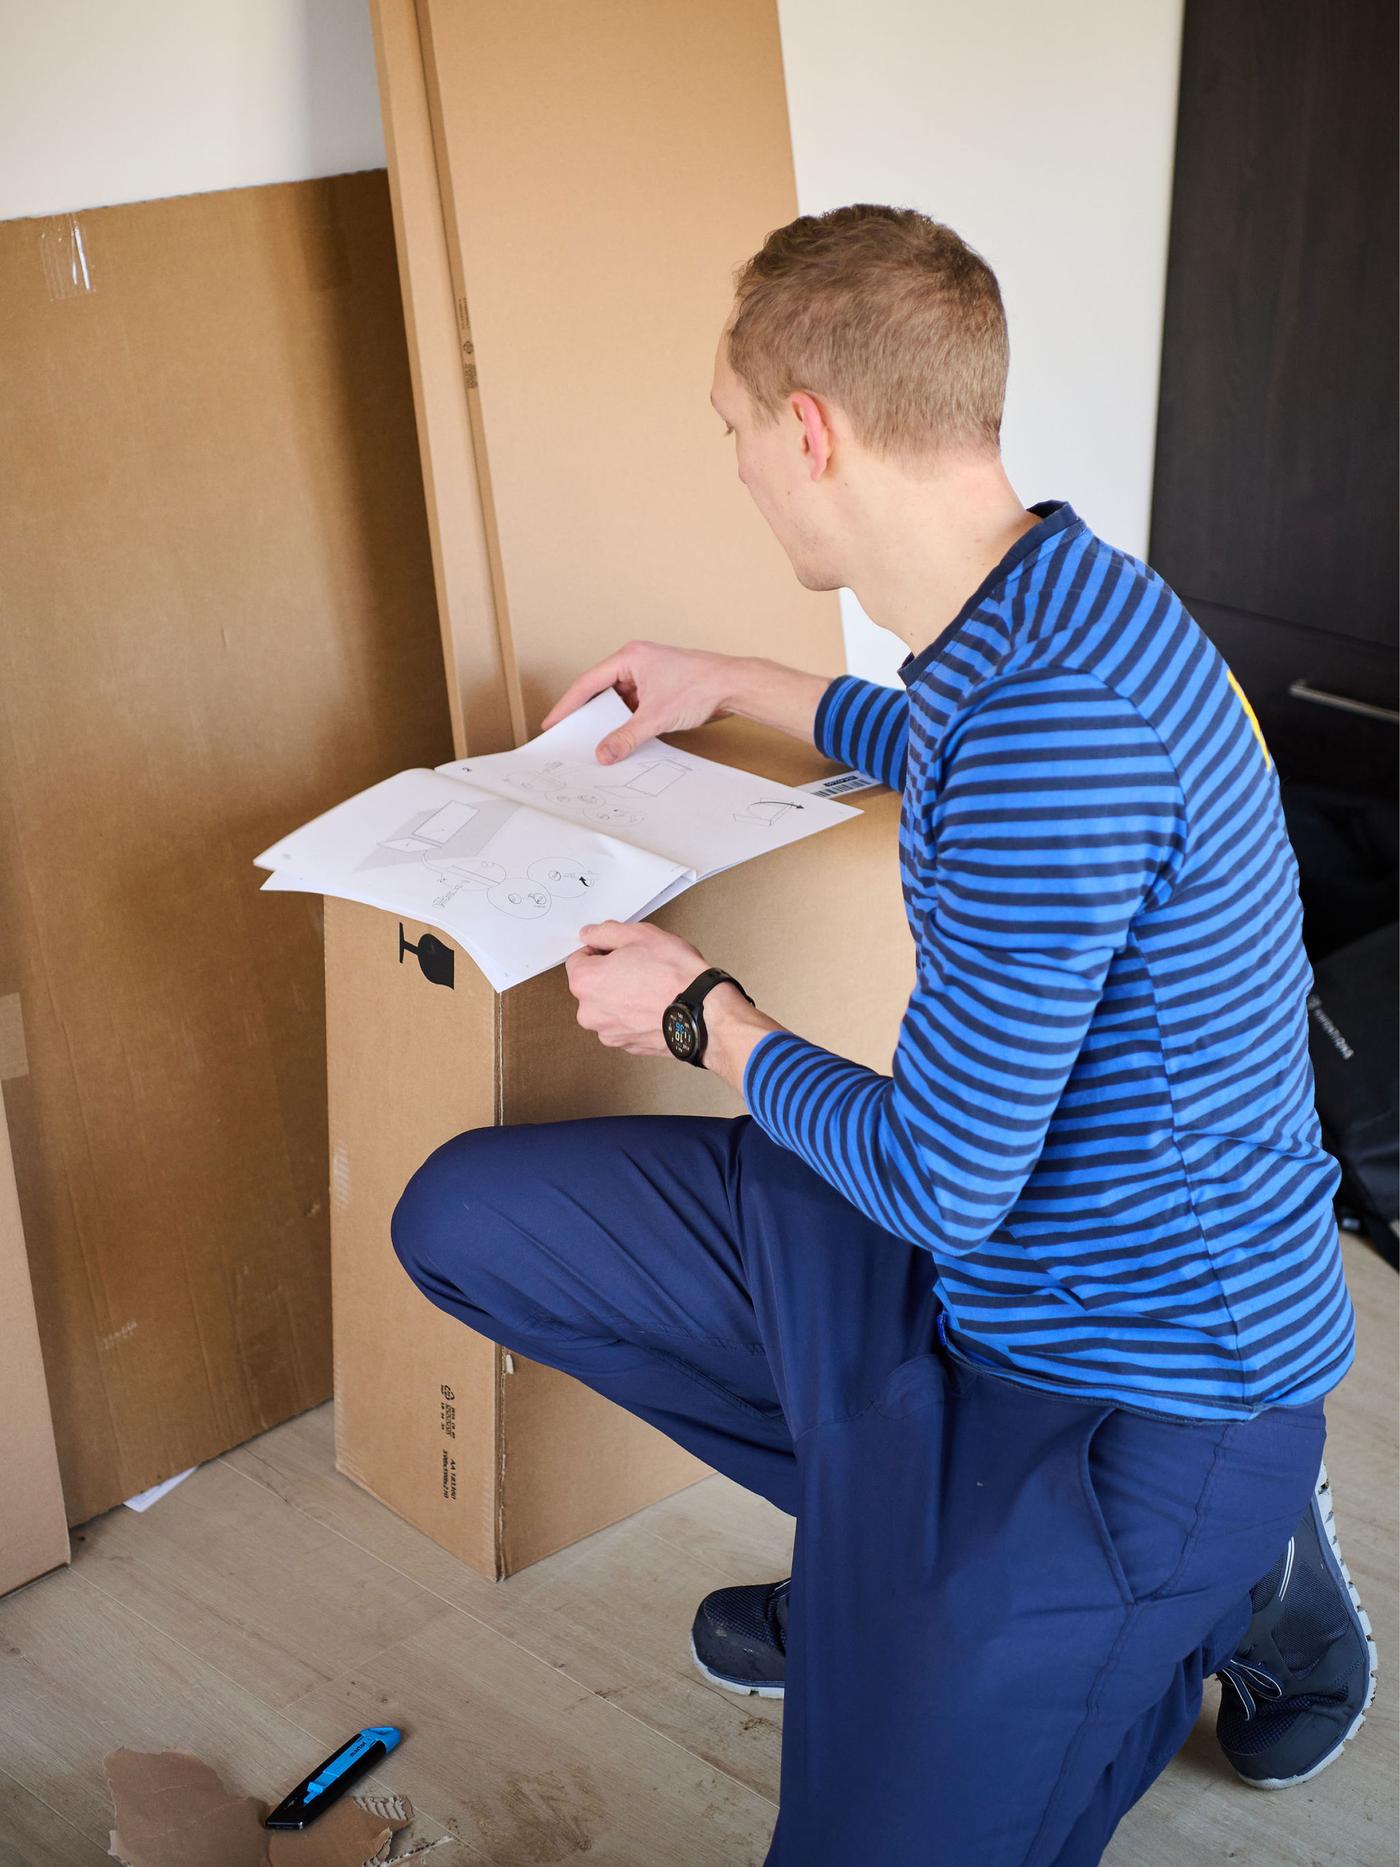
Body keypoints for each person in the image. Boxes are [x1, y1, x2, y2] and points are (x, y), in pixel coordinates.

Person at [389, 205, 1377, 1863]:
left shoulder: (1063, 727)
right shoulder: (1054, 601)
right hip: (988, 1268)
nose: (736, 469)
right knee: (470, 1222)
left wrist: (701, 1014)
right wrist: (744, 682)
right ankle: (894, 1558)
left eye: (731, 433)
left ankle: (1223, 1583)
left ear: (810, 429)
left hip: (1144, 1398)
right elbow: (943, 736)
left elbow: (940, 1177)